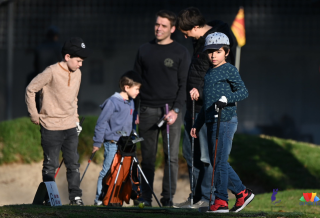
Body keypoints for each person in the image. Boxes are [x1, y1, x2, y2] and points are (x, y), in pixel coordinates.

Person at [174, 7, 236, 209]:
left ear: (196, 26)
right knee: (190, 153)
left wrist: (204, 93)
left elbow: (221, 76)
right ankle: (196, 197)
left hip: (206, 108)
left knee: (207, 157)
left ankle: (208, 198)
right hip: (192, 107)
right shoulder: (197, 41)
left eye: (186, 31)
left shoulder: (216, 43)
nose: (183, 35)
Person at [191, 32, 254, 213]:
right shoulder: (209, 72)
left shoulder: (229, 69)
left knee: (219, 161)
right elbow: (207, 104)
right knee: (217, 161)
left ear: (226, 52)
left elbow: (243, 92)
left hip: (226, 120)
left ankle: (221, 201)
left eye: (217, 51)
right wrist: (197, 124)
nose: (213, 55)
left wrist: (227, 99)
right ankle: (242, 193)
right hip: (211, 121)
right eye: (210, 52)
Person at [134, 10, 190, 206]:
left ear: (172, 29)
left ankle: (167, 200)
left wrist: (176, 110)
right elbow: (135, 83)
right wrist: (135, 111)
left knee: (171, 158)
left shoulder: (181, 52)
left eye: (164, 26)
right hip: (147, 110)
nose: (159, 28)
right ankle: (145, 198)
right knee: (147, 159)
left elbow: (184, 84)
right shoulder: (143, 50)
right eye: (157, 24)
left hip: (170, 111)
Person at [25, 37, 88, 205]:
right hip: (50, 126)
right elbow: (31, 89)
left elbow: (74, 99)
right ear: (67, 57)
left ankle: (76, 198)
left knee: (73, 164)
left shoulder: (78, 74)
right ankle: (49, 199)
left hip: (70, 127)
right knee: (50, 165)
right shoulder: (51, 71)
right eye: (78, 60)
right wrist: (34, 114)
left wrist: (75, 120)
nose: (81, 64)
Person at [92, 70, 142, 206]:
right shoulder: (112, 102)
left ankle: (115, 199)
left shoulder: (131, 102)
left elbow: (130, 122)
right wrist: (97, 142)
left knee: (123, 172)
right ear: (127, 87)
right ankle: (99, 199)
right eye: (136, 89)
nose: (138, 92)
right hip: (113, 143)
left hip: (126, 144)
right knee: (108, 170)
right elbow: (101, 122)